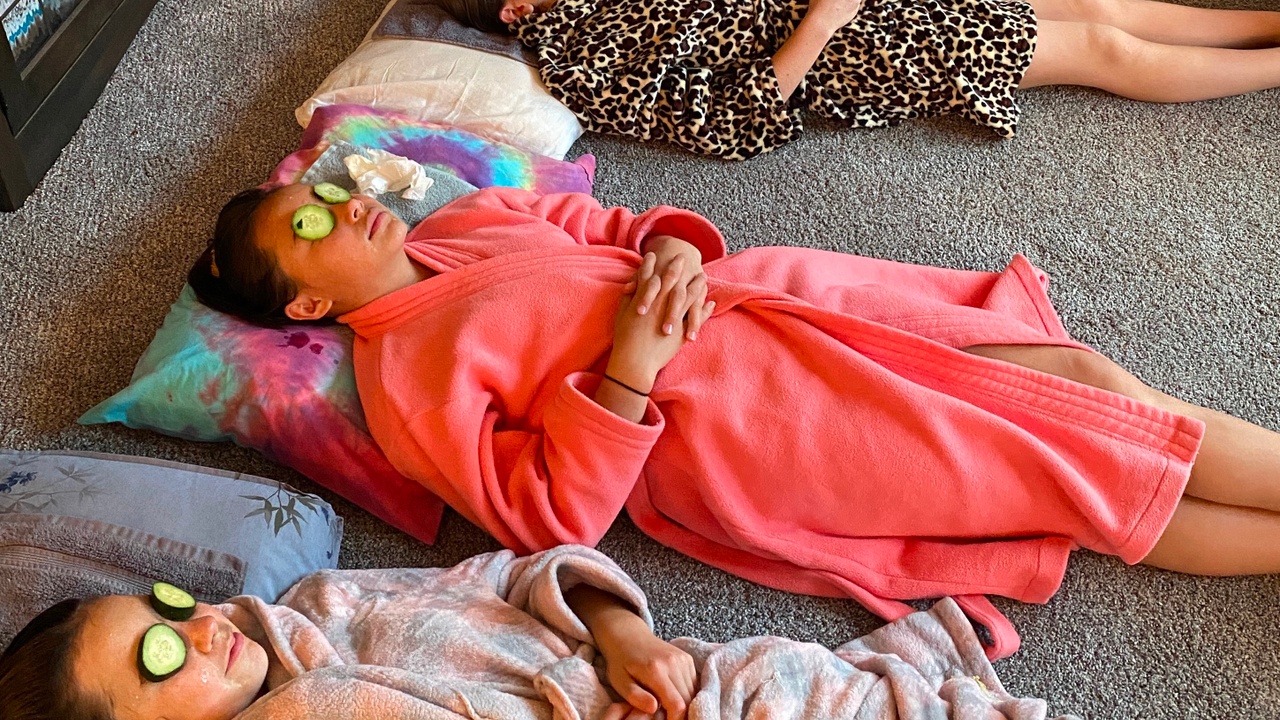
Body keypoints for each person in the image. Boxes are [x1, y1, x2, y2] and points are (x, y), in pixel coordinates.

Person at [189, 182, 1280, 658]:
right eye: (310, 225)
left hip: (774, 306)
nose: (343, 202)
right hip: (750, 428)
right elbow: (547, 520)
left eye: (321, 193)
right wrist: (629, 365)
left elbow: (621, 224)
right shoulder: (405, 390)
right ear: (307, 306)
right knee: (1066, 471)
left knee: (1074, 381)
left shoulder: (473, 216)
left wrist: (668, 249)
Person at [0, 546, 1071, 720]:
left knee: (805, 680)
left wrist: (618, 629)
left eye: (167, 612)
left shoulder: (318, 600)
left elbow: (503, 570)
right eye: (157, 662)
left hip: (667, 680)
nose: (196, 631)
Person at [437, 0, 1280, 158]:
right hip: (852, 48)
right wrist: (823, 22)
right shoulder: (582, 59)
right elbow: (728, 124)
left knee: (1091, 2)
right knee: (1101, 46)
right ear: (514, 8)